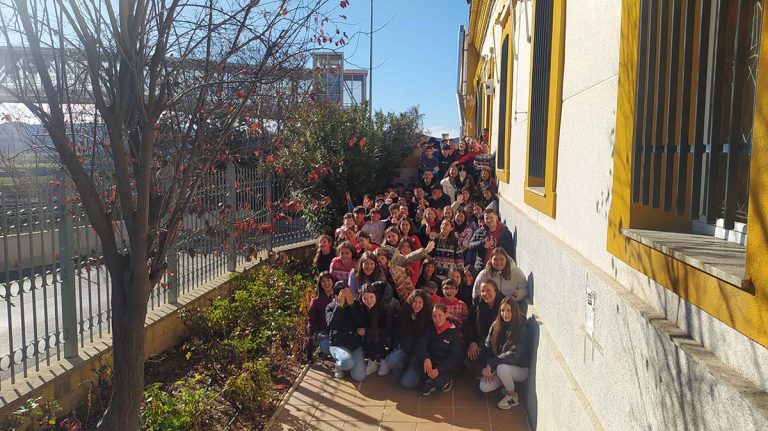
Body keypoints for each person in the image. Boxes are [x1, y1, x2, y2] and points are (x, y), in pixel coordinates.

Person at [400, 302, 464, 395]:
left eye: (440, 315)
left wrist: (439, 370)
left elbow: (454, 357)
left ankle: (439, 381)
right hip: (431, 362)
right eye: (434, 316)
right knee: (414, 361)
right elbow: (421, 344)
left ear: (446, 315)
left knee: (440, 382)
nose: (437, 319)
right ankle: (430, 380)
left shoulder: (454, 332)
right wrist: (426, 358)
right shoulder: (430, 328)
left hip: (444, 365)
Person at [479, 297, 532, 409]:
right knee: (484, 386)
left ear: (514, 311)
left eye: (509, 310)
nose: (505, 314)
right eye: (502, 310)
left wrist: (493, 363)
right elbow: (487, 347)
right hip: (499, 365)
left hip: (519, 368)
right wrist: (488, 368)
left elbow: (515, 355)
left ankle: (512, 396)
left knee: (502, 369)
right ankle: (505, 384)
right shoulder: (496, 325)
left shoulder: (522, 327)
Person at [355, 281, 400, 376]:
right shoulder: (360, 306)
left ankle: (383, 360)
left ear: (375, 295)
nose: (369, 301)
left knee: (375, 336)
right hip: (370, 335)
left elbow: (387, 327)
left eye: (371, 297)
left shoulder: (384, 306)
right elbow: (359, 322)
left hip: (386, 334)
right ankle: (372, 361)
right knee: (367, 337)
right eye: (365, 298)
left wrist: (368, 331)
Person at [386, 289, 432, 377]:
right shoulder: (404, 312)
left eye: (420, 302)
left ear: (424, 303)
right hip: (405, 348)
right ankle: (404, 368)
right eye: (414, 301)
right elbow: (397, 332)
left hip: (418, 352)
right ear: (410, 301)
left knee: (407, 383)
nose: (417, 305)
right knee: (392, 361)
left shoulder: (427, 317)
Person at [326, 281, 366, 381]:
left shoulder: (355, 304)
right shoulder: (330, 307)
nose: (346, 296)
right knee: (348, 363)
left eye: (348, 292)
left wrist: (352, 306)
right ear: (335, 297)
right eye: (343, 294)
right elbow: (332, 325)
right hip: (338, 343)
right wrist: (339, 306)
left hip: (355, 344)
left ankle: (349, 360)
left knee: (359, 377)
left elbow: (361, 323)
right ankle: (339, 364)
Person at [465, 280, 505, 375]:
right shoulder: (478, 302)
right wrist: (472, 341)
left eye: (488, 290)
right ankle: (483, 373)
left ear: (495, 290)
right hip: (481, 341)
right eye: (482, 291)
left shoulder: (504, 303)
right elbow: (469, 323)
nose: (485, 294)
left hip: (498, 342)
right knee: (469, 359)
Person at [307, 271, 335, 359]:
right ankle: (324, 352)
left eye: (328, 280)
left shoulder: (338, 295)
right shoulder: (316, 300)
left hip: (338, 331)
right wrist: (310, 342)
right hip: (323, 332)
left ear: (332, 281)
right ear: (320, 283)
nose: (326, 283)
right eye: (323, 281)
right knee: (327, 348)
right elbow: (311, 320)